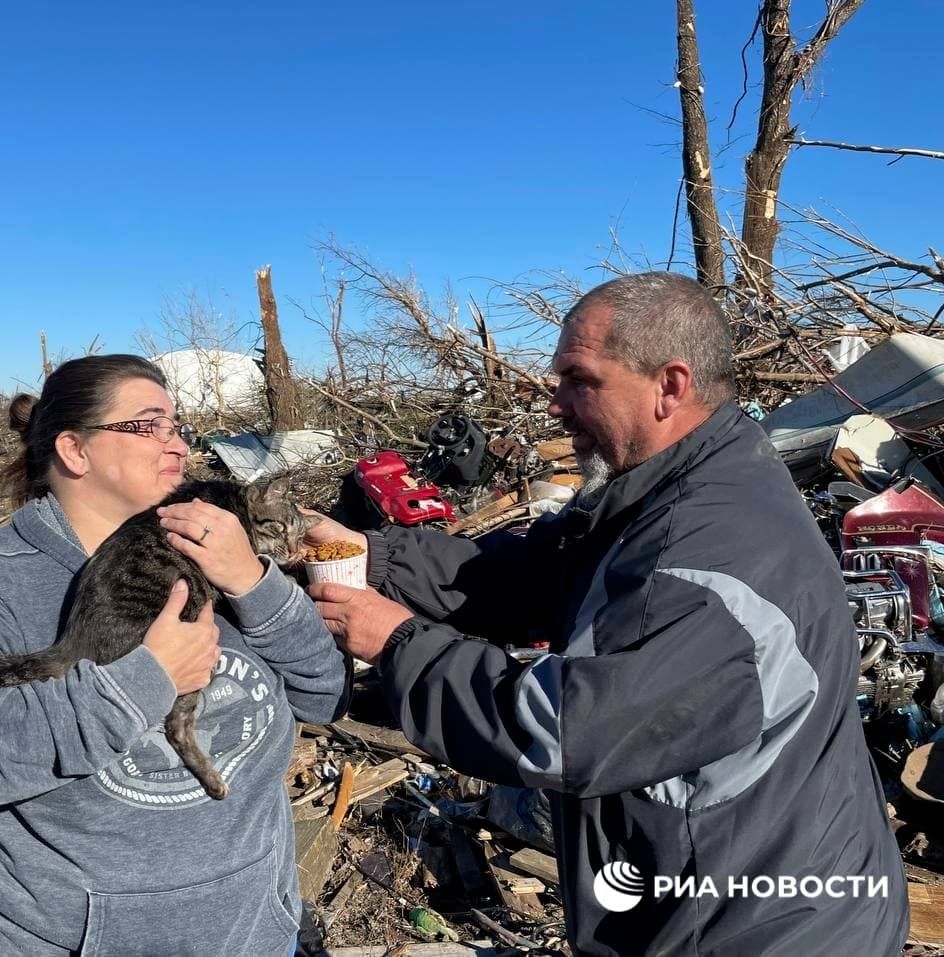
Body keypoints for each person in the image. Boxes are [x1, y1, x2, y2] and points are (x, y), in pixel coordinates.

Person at [307, 273, 909, 956]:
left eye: (579, 379)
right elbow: (531, 572)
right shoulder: (668, 483)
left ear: (670, 385)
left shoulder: (713, 557)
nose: (557, 405)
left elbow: (562, 728)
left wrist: (396, 641)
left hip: (762, 929)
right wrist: (375, 555)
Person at [0, 354, 348, 957]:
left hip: (244, 929)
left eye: (178, 426)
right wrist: (144, 680)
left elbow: (324, 695)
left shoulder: (217, 545)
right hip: (58, 939)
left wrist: (254, 581)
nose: (180, 446)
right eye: (150, 426)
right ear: (74, 451)